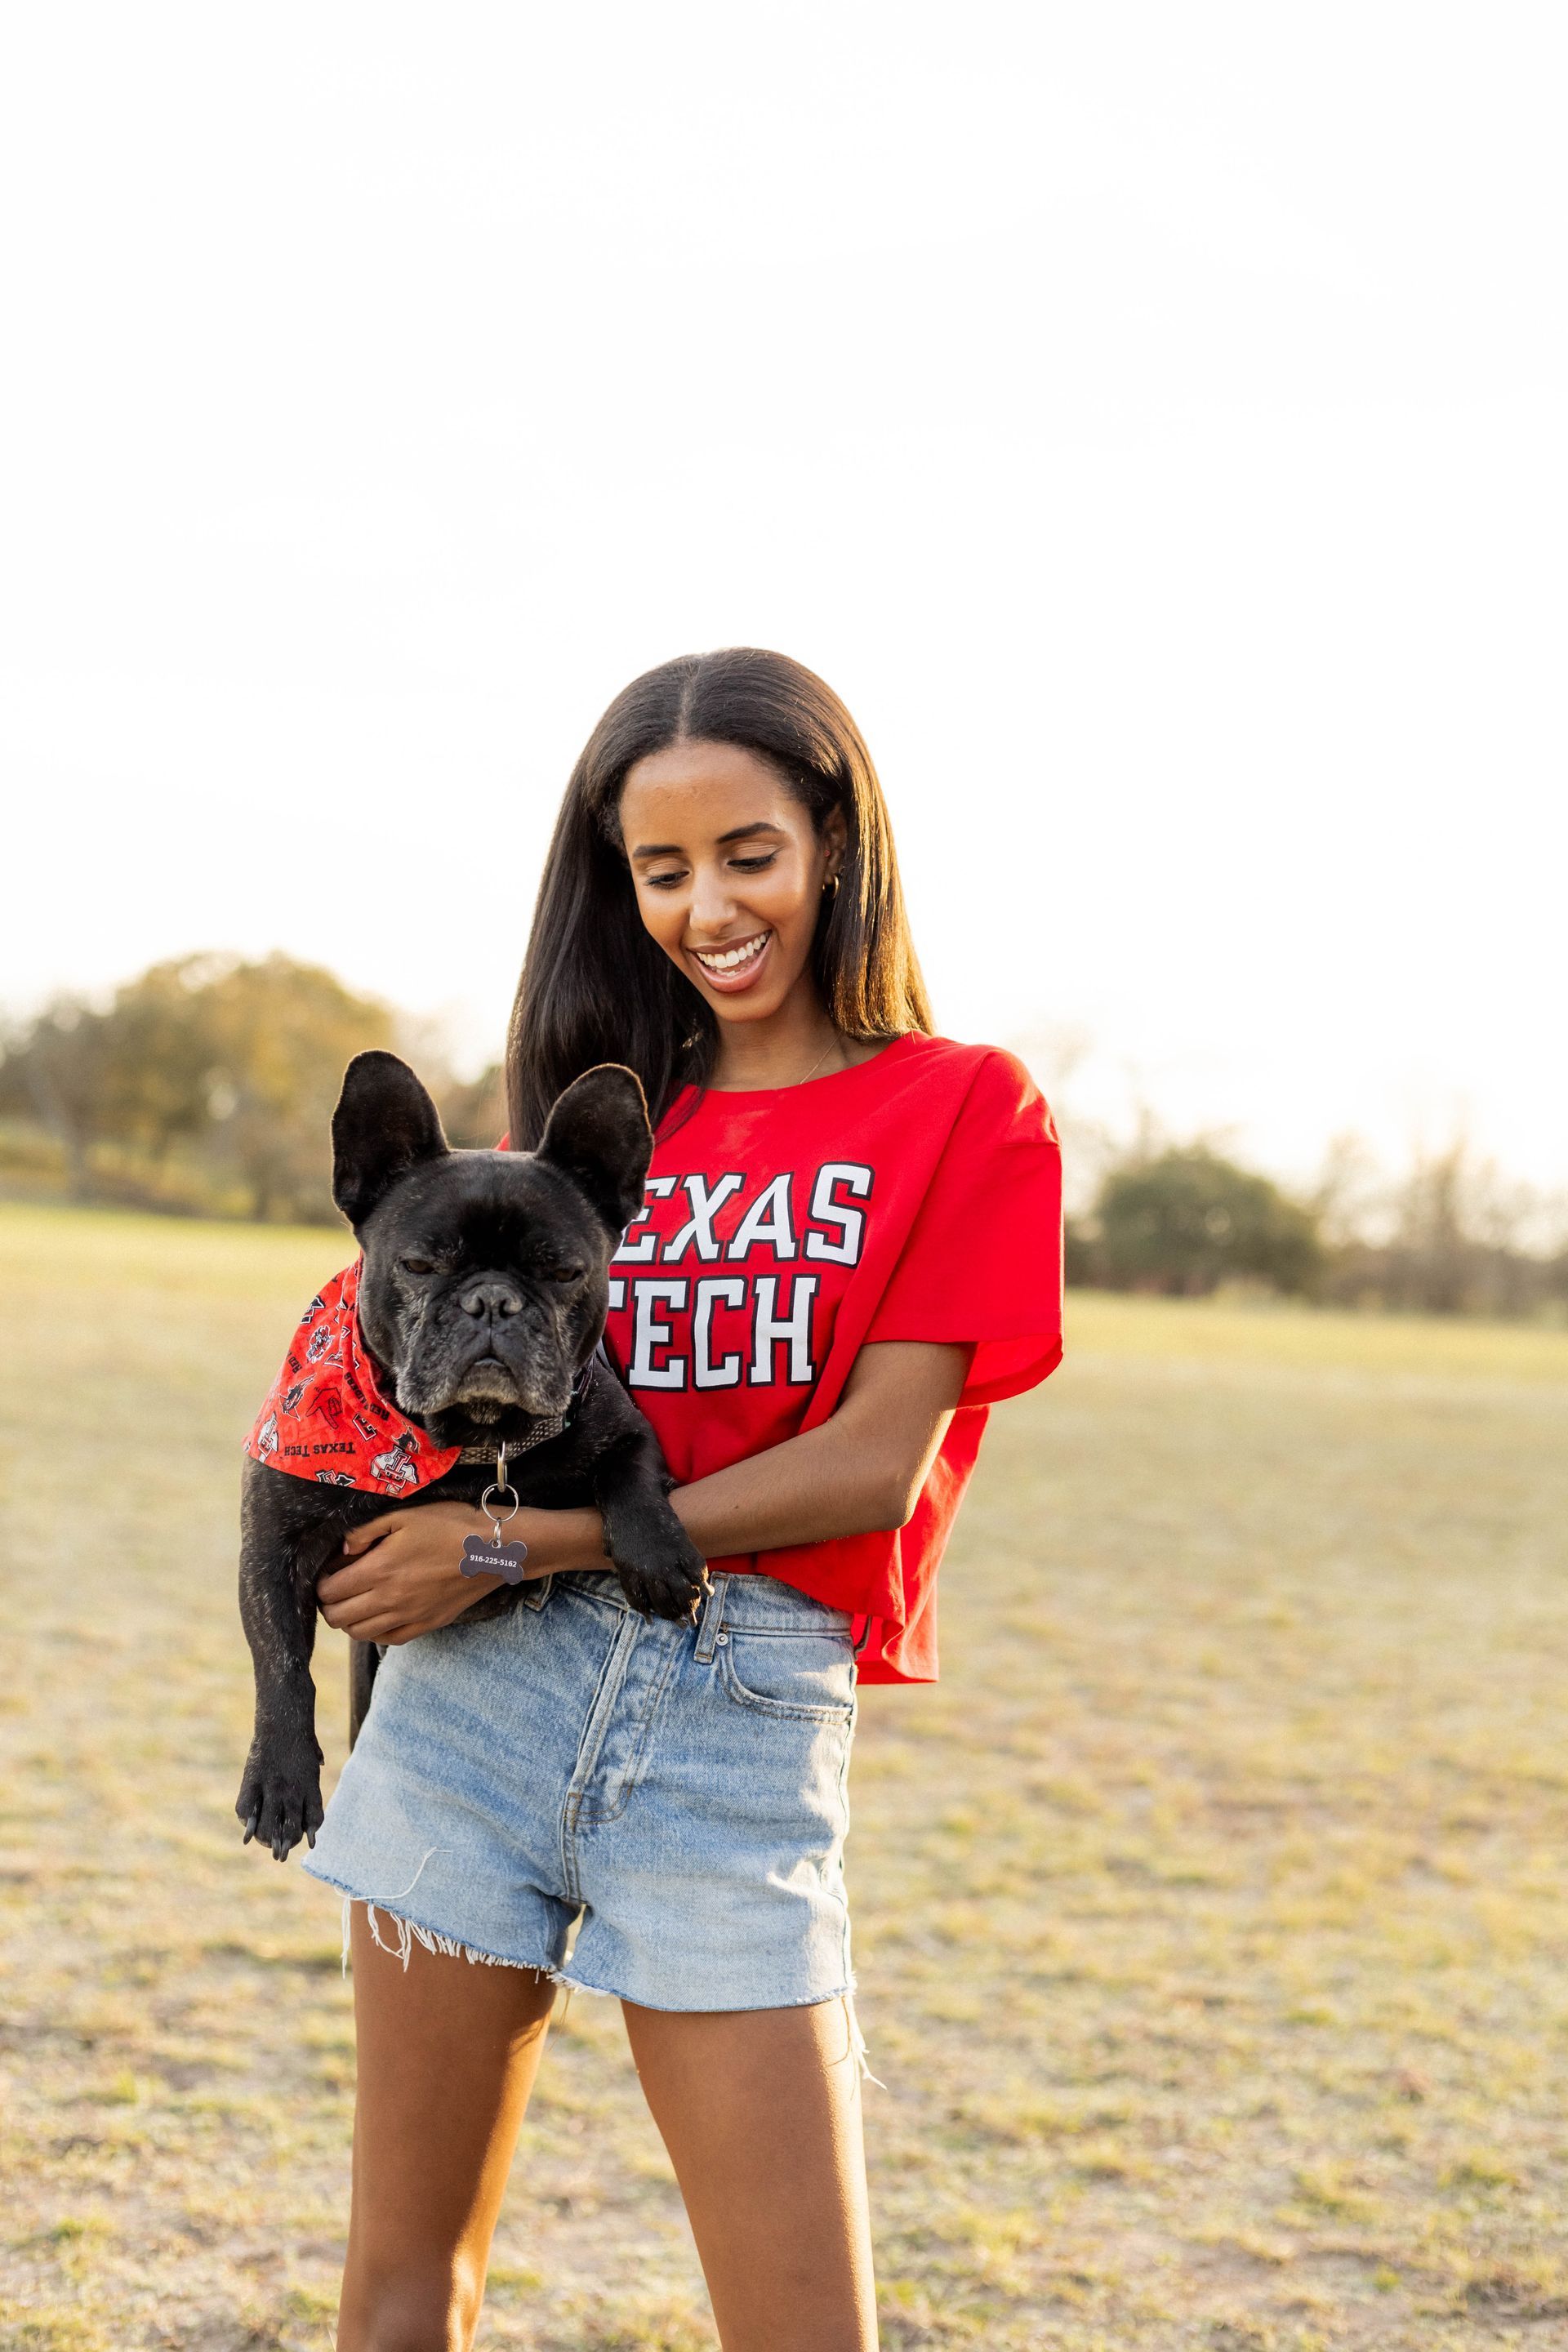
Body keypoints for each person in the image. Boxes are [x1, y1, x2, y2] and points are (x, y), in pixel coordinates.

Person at [304, 648, 1063, 2352]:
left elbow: (878, 1465)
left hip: (730, 1721)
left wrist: (515, 1541)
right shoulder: (598, 1133)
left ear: (835, 849)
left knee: (801, 2328)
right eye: (662, 870)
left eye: (749, 854)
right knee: (403, 2289)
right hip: (472, 1702)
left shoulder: (963, 1108)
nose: (708, 905)